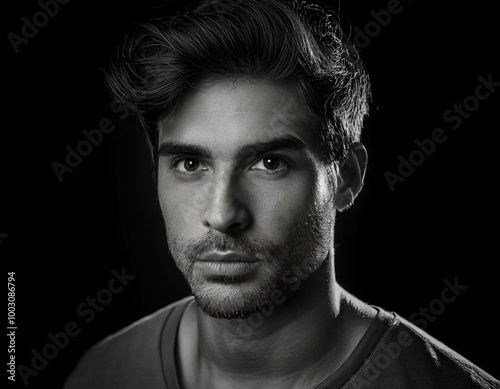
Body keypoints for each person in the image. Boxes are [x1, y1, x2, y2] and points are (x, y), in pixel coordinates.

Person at [64, 0, 499, 388]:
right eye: (191, 164)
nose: (221, 214)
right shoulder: (102, 371)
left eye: (270, 163)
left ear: (346, 178)